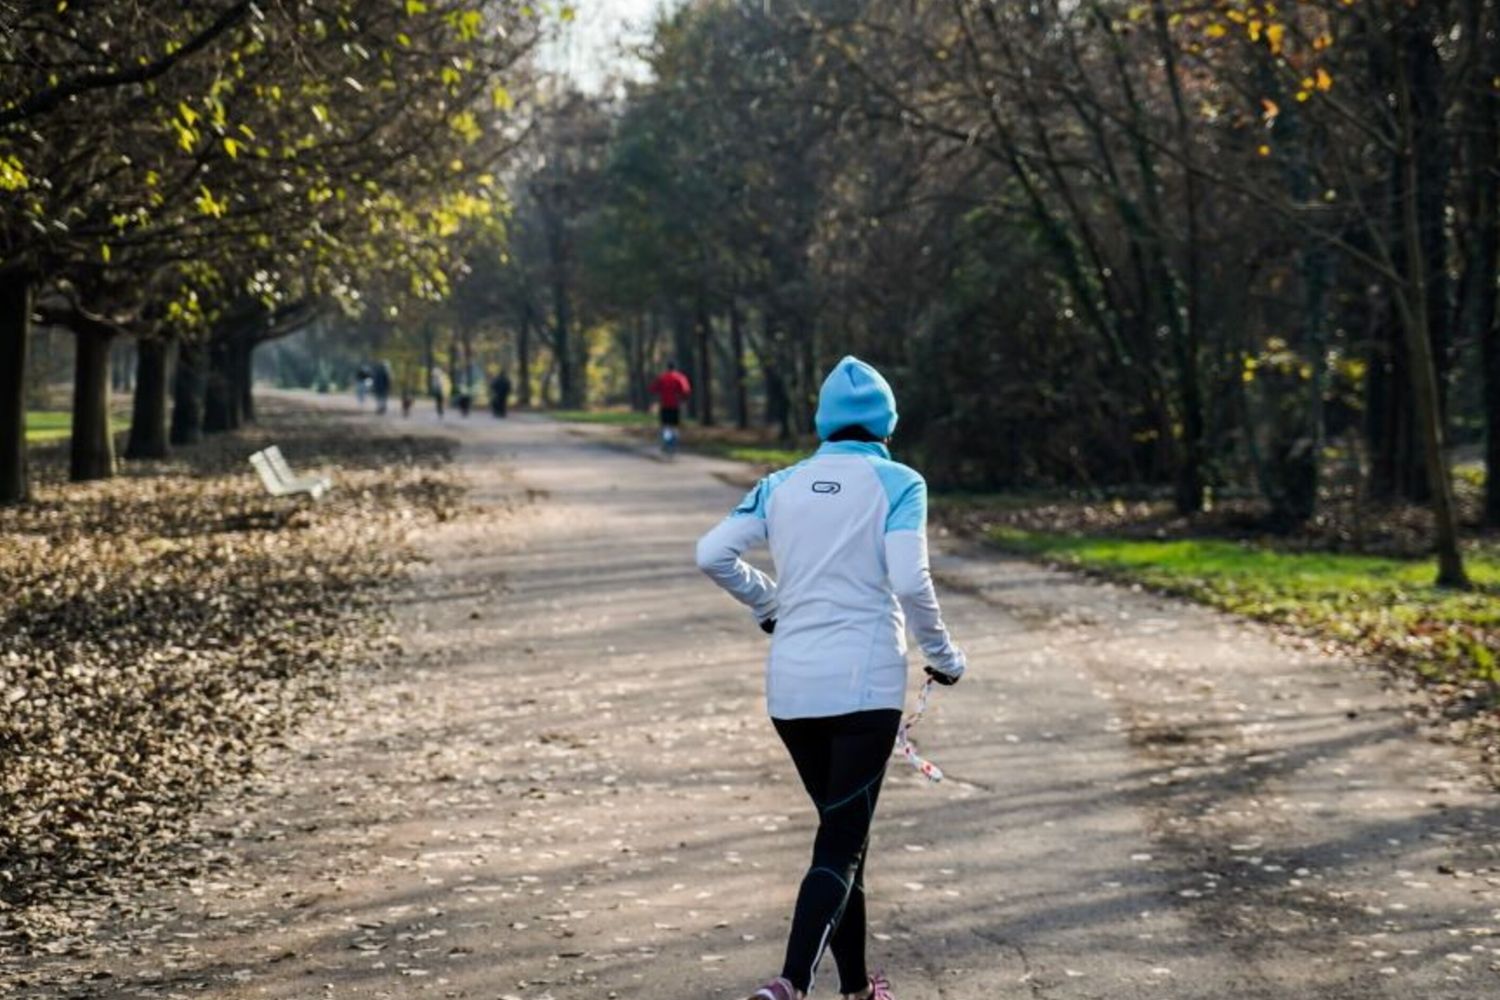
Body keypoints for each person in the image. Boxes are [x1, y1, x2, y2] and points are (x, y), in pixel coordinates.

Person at [695, 356, 967, 1000]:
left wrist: (769, 603)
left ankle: (855, 989)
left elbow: (711, 554)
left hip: (791, 691)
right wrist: (945, 655)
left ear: (822, 421)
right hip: (864, 687)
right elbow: (908, 579)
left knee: (844, 840)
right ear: (887, 422)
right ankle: (790, 984)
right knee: (840, 844)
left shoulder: (780, 483)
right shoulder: (900, 482)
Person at [648, 361, 691, 454]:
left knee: (666, 426)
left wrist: (658, 394)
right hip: (676, 405)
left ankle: (667, 443)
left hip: (665, 405)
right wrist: (683, 399)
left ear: (667, 368)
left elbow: (652, 388)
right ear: (675, 368)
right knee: (674, 426)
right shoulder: (680, 378)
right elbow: (686, 390)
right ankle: (674, 444)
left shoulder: (662, 378)